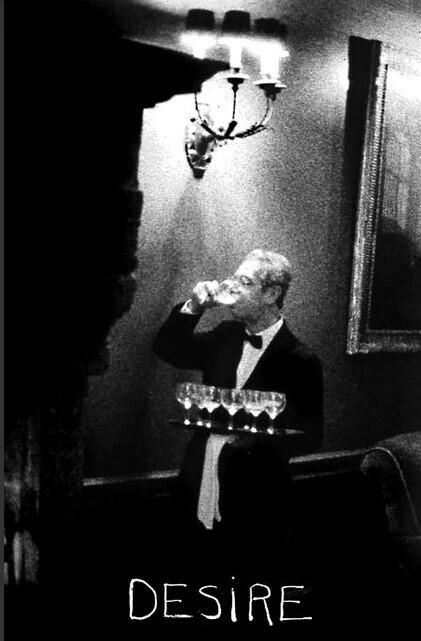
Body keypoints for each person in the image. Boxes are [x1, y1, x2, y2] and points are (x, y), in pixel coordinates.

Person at [153, 249, 323, 555]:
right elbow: (167, 348)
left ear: (271, 294)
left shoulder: (300, 359)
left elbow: (312, 436)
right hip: (198, 479)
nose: (232, 287)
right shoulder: (225, 336)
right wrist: (194, 306)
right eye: (234, 279)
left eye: (245, 282)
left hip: (255, 497)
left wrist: (250, 445)